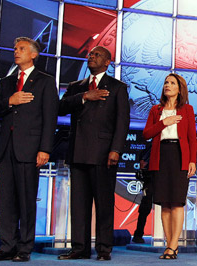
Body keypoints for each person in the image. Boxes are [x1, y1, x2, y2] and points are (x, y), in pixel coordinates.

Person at [0, 37, 59, 262]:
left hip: (30, 148)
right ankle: (7, 246)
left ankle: (24, 248)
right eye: (15, 48)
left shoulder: (45, 81)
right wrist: (11, 101)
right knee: (5, 200)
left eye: (22, 49)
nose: (16, 52)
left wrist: (45, 149)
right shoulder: (6, 83)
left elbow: (50, 118)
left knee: (27, 200)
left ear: (34, 54)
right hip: (6, 148)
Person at [57, 46, 130, 261]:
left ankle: (104, 248)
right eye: (90, 54)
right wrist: (84, 96)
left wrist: (116, 149)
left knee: (104, 203)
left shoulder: (117, 87)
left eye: (96, 55)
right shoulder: (76, 87)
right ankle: (79, 248)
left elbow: (122, 122)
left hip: (104, 153)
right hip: (78, 151)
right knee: (79, 204)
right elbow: (60, 108)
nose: (91, 57)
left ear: (108, 62)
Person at [142, 73, 197, 259]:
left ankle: (174, 245)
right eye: (166, 82)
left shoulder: (187, 109)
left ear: (179, 88)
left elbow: (191, 138)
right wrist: (163, 123)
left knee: (177, 202)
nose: (167, 85)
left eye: (172, 83)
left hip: (180, 156)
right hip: (160, 156)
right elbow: (146, 134)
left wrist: (192, 161)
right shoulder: (155, 110)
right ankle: (169, 244)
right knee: (164, 203)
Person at [132, 147, 153, 244]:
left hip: (163, 179)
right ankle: (138, 235)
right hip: (150, 180)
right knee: (145, 208)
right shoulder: (148, 149)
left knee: (168, 208)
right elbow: (142, 165)